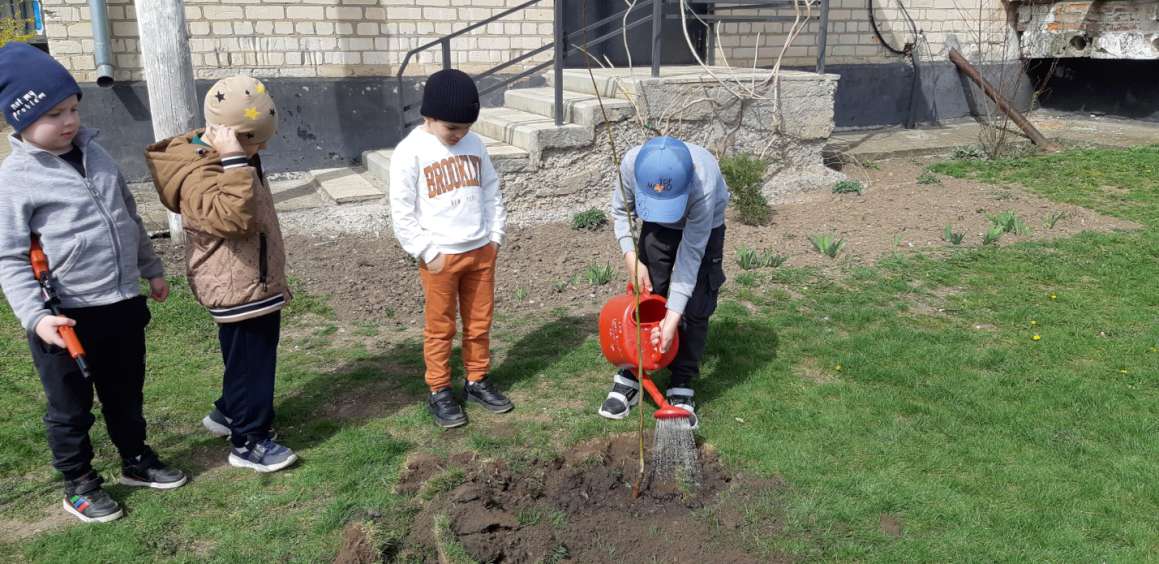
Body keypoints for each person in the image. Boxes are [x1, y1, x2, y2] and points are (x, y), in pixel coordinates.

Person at [0, 42, 187, 523]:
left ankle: (136, 458)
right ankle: (79, 482)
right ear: (19, 119)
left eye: (73, 109)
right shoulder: (15, 178)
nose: (69, 121)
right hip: (64, 319)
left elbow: (128, 216)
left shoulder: (97, 153)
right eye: (53, 114)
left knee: (126, 393)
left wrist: (151, 268)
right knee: (70, 408)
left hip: (120, 303)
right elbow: (10, 257)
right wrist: (37, 318)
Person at [145, 75, 296, 472]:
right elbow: (233, 219)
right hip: (237, 284)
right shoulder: (202, 172)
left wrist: (238, 155)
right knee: (252, 363)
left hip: (251, 277)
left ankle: (229, 411)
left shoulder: (232, 153)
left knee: (246, 359)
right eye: (255, 142)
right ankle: (249, 440)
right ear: (231, 136)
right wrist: (235, 160)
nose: (262, 149)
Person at [389, 69, 514, 428]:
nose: (459, 135)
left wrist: (495, 237)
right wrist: (428, 253)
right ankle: (439, 389)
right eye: (452, 128)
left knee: (479, 323)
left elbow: (491, 191)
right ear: (429, 117)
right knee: (440, 327)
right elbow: (402, 210)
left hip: (481, 252)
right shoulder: (410, 151)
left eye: (466, 128)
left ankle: (476, 380)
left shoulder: (475, 145)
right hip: (440, 258)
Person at [599, 136, 730, 430]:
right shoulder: (631, 164)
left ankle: (681, 381)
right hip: (656, 226)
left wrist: (672, 320)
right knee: (647, 295)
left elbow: (690, 257)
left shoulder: (703, 180)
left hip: (705, 227)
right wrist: (631, 257)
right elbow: (621, 211)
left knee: (696, 304)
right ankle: (633, 373)